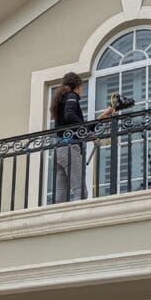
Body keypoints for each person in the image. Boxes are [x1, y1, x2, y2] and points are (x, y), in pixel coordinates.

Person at [50, 72, 113, 203]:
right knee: (80, 191)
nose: (82, 90)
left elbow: (76, 126)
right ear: (77, 86)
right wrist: (89, 134)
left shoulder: (62, 99)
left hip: (59, 149)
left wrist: (101, 118)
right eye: (82, 87)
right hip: (70, 148)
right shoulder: (72, 96)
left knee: (60, 194)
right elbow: (70, 115)